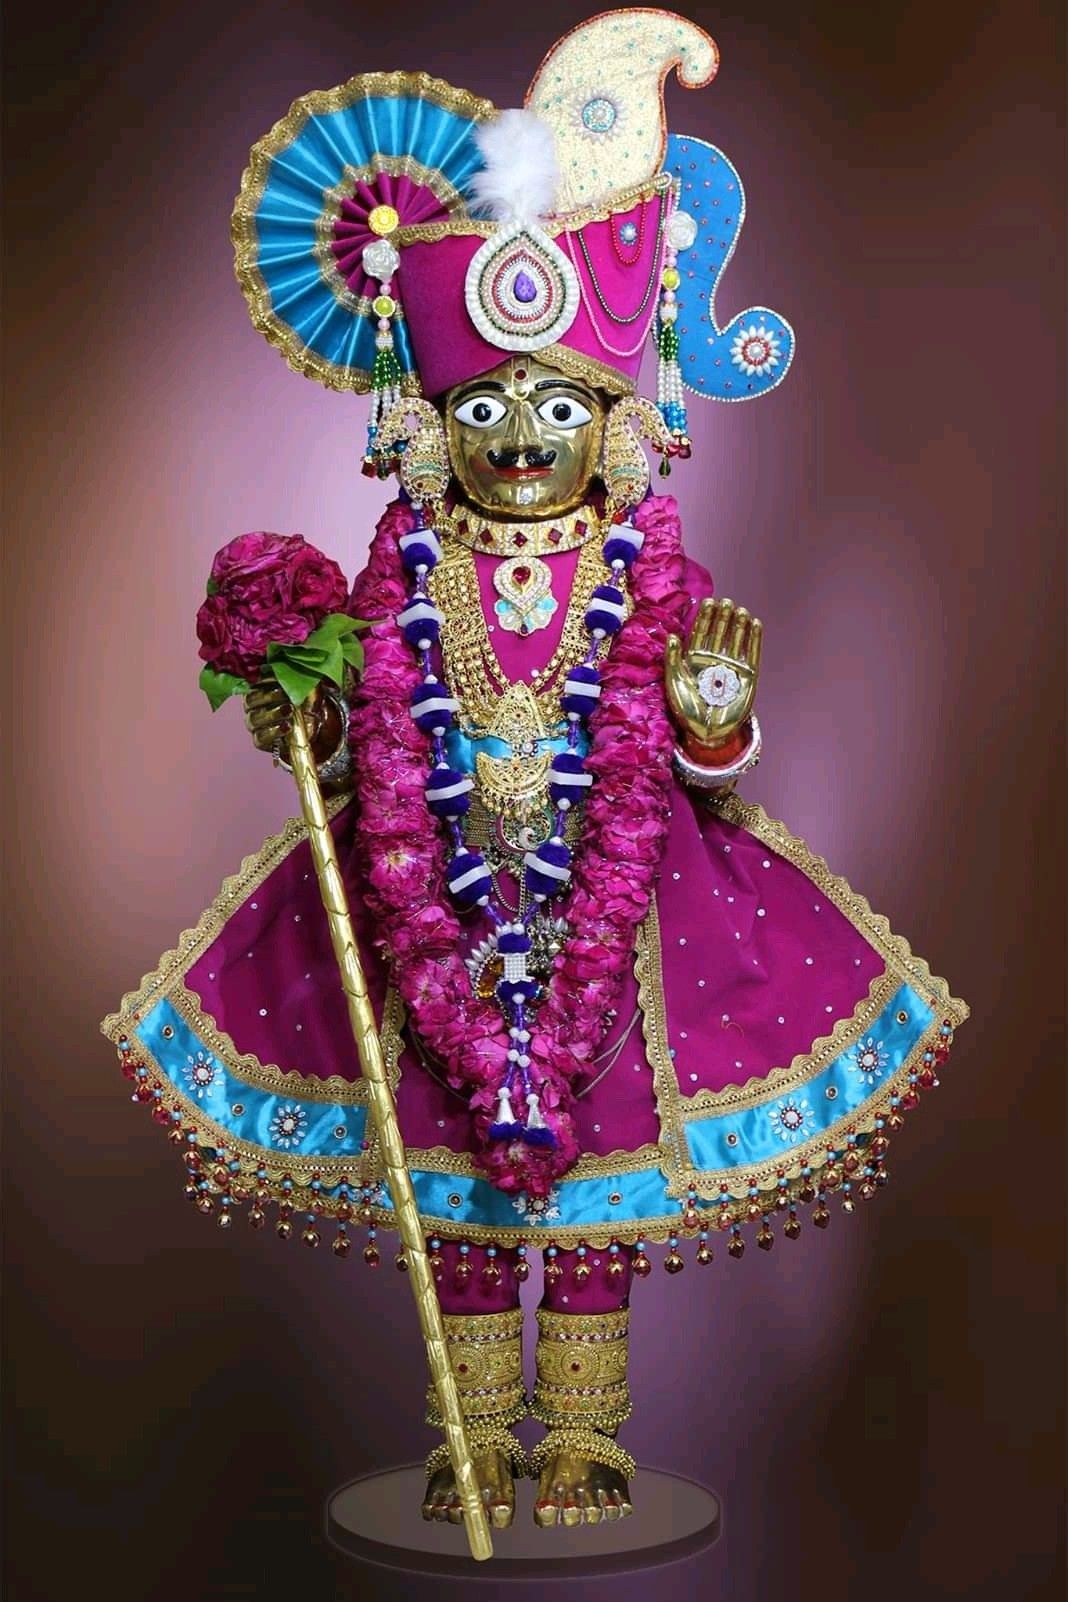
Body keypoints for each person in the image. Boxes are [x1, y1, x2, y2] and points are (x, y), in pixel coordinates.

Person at [102, 9, 967, 1532]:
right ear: (433, 429)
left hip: (614, 918)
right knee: (461, 1192)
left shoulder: (642, 573)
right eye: (489, 409)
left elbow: (702, 762)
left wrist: (708, 720)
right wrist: (300, 699)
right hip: (430, 887)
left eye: (558, 407)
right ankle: (468, 1428)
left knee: (601, 1190)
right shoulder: (409, 571)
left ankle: (580, 1438)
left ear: (615, 429)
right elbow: (369, 715)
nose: (519, 438)